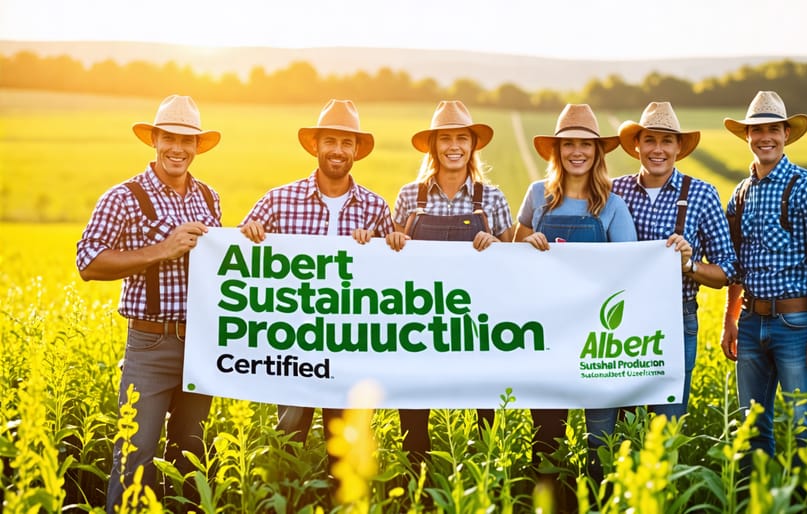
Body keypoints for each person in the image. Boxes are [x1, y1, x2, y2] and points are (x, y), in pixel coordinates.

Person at [76, 95, 222, 512]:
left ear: (197, 147)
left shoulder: (209, 198)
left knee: (189, 457)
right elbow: (87, 262)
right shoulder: (123, 197)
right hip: (150, 345)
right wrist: (161, 249)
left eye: (187, 140)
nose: (178, 148)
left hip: (201, 346)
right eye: (169, 138)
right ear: (154, 140)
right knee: (135, 455)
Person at [239, 99, 393, 489]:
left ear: (357, 150)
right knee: (286, 442)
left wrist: (380, 244)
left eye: (346, 143)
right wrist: (250, 234)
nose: (337, 151)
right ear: (315, 146)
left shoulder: (375, 208)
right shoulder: (277, 201)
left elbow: (390, 277)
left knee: (344, 451)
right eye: (330, 141)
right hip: (294, 348)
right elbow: (234, 259)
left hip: (351, 348)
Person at [515, 103, 637, 506]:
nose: (577, 152)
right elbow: (511, 257)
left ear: (598, 152)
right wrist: (527, 242)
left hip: (597, 339)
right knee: (546, 440)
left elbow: (631, 269)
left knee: (599, 442)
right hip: (546, 336)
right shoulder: (537, 196)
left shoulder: (613, 205)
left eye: (586, 144)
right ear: (557, 150)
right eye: (569, 144)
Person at [385, 100, 514, 470]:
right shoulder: (412, 196)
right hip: (419, 322)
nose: (453, 146)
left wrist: (497, 246)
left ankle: (486, 481)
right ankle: (417, 487)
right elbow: (390, 262)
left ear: (473, 146)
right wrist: (395, 243)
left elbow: (514, 260)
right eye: (445, 138)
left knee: (485, 409)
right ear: (433, 146)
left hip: (477, 323)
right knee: (413, 411)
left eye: (462, 138)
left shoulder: (491, 198)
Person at [719, 91, 807, 465]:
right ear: (747, 137)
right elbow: (737, 265)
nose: (765, 138)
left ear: (786, 134)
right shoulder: (741, 193)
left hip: (796, 325)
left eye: (773, 129)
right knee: (751, 428)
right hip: (751, 322)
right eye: (757, 131)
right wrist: (730, 317)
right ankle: (758, 501)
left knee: (804, 427)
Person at [610, 101, 737, 423]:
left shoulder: (702, 194)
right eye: (650, 139)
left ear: (679, 147)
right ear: (636, 145)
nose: (658, 149)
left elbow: (726, 271)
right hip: (619, 321)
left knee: (666, 423)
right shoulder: (613, 191)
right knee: (623, 422)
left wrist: (689, 265)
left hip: (676, 320)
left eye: (667, 141)